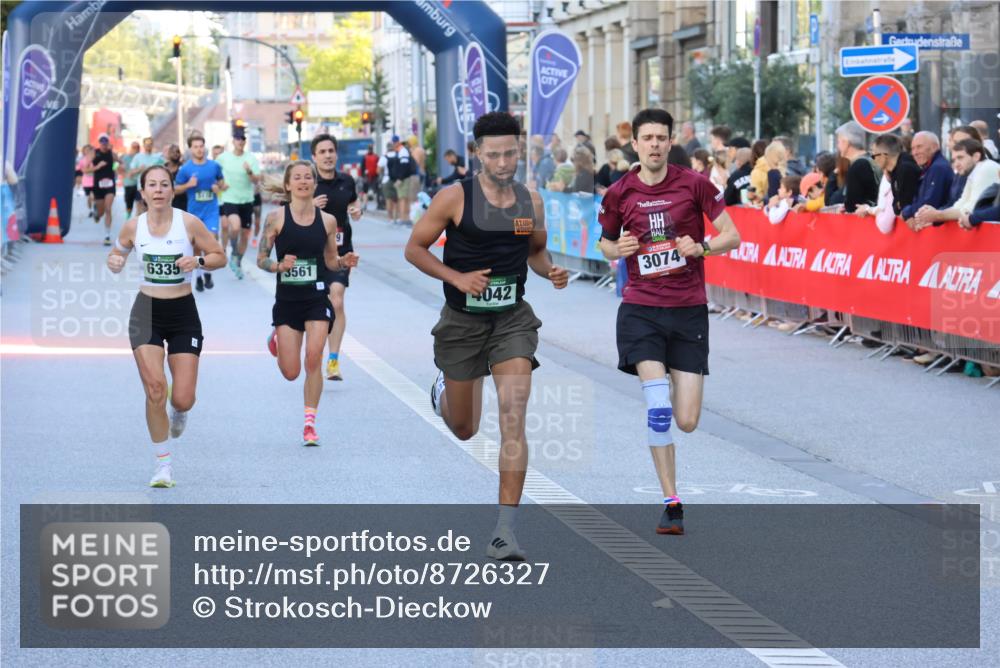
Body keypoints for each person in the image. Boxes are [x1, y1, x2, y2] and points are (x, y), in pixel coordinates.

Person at [404, 112, 569, 560]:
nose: (503, 161)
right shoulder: (454, 198)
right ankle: (442, 387)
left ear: (520, 150)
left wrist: (549, 270)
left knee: (513, 410)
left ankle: (505, 530)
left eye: (510, 152)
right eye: (493, 154)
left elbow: (535, 251)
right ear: (477, 153)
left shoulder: (530, 201)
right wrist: (456, 278)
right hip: (462, 324)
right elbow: (414, 248)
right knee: (464, 427)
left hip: (511, 319)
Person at [597, 108, 741, 536]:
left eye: (662, 137)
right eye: (648, 138)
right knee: (658, 408)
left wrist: (703, 248)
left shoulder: (694, 184)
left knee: (688, 419)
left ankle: (673, 377)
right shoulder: (620, 192)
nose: (655, 144)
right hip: (641, 309)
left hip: (688, 310)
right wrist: (617, 248)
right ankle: (671, 502)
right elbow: (604, 243)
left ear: (670, 141)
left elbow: (732, 235)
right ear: (635, 145)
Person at [105, 164, 226, 487]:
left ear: (173, 190)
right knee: (156, 389)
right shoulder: (133, 227)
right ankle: (162, 466)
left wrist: (198, 261)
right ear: (142, 193)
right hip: (146, 311)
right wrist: (115, 261)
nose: (158, 190)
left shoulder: (189, 223)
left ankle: (180, 411)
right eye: (152, 185)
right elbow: (116, 256)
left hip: (183, 312)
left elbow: (219, 255)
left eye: (164, 185)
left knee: (182, 397)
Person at [258, 161, 360, 447]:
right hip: (288, 301)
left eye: (308, 177)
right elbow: (261, 260)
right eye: (298, 178)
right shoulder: (276, 218)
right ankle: (277, 338)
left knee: (313, 358)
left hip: (317, 297)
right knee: (291, 372)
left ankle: (309, 424)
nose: (303, 181)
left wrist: (343, 261)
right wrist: (279, 265)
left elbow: (330, 260)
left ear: (314, 183)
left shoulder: (327, 220)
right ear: (288, 185)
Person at [310, 133, 364, 381]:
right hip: (311, 253)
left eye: (331, 150)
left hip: (341, 252)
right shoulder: (307, 182)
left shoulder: (346, 180)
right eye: (322, 151)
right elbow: (288, 212)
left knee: (337, 300)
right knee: (310, 306)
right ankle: (282, 332)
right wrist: (309, 206)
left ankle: (333, 360)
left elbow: (354, 203)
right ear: (314, 157)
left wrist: (356, 209)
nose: (328, 155)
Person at [174, 135, 226, 292]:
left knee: (212, 241)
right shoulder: (186, 169)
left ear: (205, 147)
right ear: (191, 149)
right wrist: (188, 184)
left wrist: (219, 187)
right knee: (196, 246)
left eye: (201, 146)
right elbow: (175, 189)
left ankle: (207, 273)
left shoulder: (214, 166)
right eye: (195, 146)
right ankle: (198, 278)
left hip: (211, 211)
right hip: (194, 213)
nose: (199, 149)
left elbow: (222, 183)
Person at [916, 139, 1000, 229]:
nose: (956, 164)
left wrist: (937, 215)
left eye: (960, 158)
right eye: (954, 160)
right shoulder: (974, 171)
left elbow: (970, 210)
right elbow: (960, 203)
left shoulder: (985, 168)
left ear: (976, 156)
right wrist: (934, 218)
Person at [216, 128, 261, 279]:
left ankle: (238, 260)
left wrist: (249, 171)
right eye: (237, 139)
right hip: (230, 199)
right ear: (233, 141)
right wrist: (221, 186)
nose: (240, 141)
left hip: (246, 200)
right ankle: (233, 249)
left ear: (245, 141)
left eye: (242, 139)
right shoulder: (223, 158)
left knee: (245, 234)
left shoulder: (251, 158)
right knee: (234, 226)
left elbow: (256, 180)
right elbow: (214, 174)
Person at [861, 133, 919, 223]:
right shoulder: (894, 171)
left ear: (884, 156)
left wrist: (900, 205)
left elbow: (905, 204)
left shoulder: (905, 169)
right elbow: (896, 206)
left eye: (874, 156)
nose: (873, 160)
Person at [900, 131, 953, 228]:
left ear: (934, 147)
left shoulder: (938, 168)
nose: (915, 152)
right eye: (913, 149)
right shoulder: (929, 167)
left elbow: (929, 203)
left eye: (919, 147)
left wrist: (906, 212)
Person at [835, 121, 880, 214]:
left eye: (838, 141)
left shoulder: (857, 166)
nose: (837, 146)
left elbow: (852, 205)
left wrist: (846, 206)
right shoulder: (873, 159)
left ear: (846, 142)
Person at [89, 134, 118, 246]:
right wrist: (97, 167)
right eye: (102, 143)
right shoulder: (94, 153)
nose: (104, 145)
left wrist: (114, 168)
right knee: (101, 213)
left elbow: (119, 163)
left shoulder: (112, 154)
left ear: (108, 143)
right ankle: (97, 213)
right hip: (98, 185)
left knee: (108, 209)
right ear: (99, 143)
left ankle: (107, 235)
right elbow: (85, 168)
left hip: (110, 184)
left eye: (106, 143)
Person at [128, 137, 165, 216]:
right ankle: (139, 226)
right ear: (143, 145)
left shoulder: (157, 157)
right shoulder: (138, 157)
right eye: (147, 144)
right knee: (140, 209)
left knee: (151, 209)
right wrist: (139, 169)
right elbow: (131, 173)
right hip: (141, 187)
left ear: (152, 145)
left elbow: (166, 166)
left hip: (154, 187)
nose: (148, 146)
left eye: (150, 144)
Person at [164, 144, 186, 211]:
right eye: (173, 152)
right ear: (168, 154)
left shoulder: (184, 168)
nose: (176, 154)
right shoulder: (163, 168)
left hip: (183, 204)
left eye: (177, 152)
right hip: (167, 204)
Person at [121, 141, 141, 218]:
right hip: (129, 183)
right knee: (129, 204)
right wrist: (125, 174)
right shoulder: (126, 157)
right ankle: (128, 216)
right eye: (134, 147)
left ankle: (138, 219)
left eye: (137, 147)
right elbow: (119, 168)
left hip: (139, 184)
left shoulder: (141, 157)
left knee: (139, 203)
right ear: (131, 148)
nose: (136, 149)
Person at [77, 145, 95, 217]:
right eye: (85, 150)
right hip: (86, 182)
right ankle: (90, 210)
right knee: (89, 198)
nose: (87, 151)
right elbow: (78, 168)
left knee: (93, 196)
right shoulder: (82, 160)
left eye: (88, 149)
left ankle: (94, 210)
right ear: (83, 151)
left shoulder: (95, 159)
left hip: (95, 181)